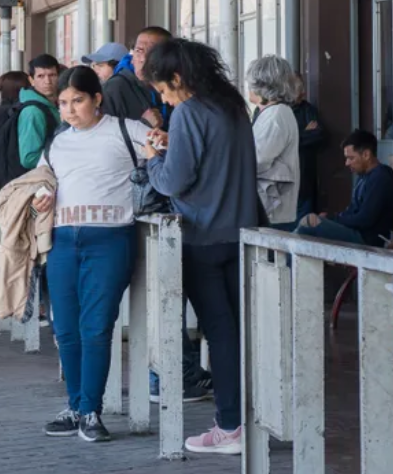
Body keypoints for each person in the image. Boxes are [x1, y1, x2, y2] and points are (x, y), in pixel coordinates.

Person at [144, 39, 259, 455]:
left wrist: (153, 158)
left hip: (201, 237)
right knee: (240, 334)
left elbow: (173, 182)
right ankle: (246, 420)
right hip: (241, 233)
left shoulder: (189, 112)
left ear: (177, 78)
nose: (164, 99)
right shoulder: (233, 106)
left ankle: (229, 427)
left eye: (163, 89)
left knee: (220, 335)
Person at [34, 66, 150, 443]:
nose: (70, 110)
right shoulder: (56, 143)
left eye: (78, 100)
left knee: (97, 327)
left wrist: (160, 143)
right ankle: (75, 407)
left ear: (97, 99)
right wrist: (41, 198)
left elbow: (165, 154)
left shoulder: (126, 130)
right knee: (66, 329)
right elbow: (40, 184)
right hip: (62, 241)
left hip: (111, 239)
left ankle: (90, 411)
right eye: (63, 102)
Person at [294, 129, 393, 248]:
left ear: (366, 155)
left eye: (351, 158)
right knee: (310, 220)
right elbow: (351, 211)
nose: (347, 163)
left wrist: (332, 219)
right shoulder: (363, 176)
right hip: (356, 232)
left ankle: (285, 256)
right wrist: (329, 219)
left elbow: (365, 219)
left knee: (309, 224)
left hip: (367, 239)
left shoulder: (381, 177)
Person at [247, 56, 300, 228]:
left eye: (251, 82)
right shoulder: (273, 113)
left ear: (263, 85)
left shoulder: (276, 115)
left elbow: (258, 159)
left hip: (273, 212)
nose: (249, 87)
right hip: (269, 209)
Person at [18, 54, 62, 169]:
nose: (47, 81)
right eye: (41, 76)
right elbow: (29, 158)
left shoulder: (55, 104)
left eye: (52, 75)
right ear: (31, 80)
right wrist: (65, 156)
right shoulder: (33, 112)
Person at [291, 74, 325, 220]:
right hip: (286, 182)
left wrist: (294, 138)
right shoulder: (277, 111)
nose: (304, 92)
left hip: (305, 179)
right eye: (299, 89)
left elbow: (318, 135)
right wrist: (304, 133)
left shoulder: (307, 109)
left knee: (304, 224)